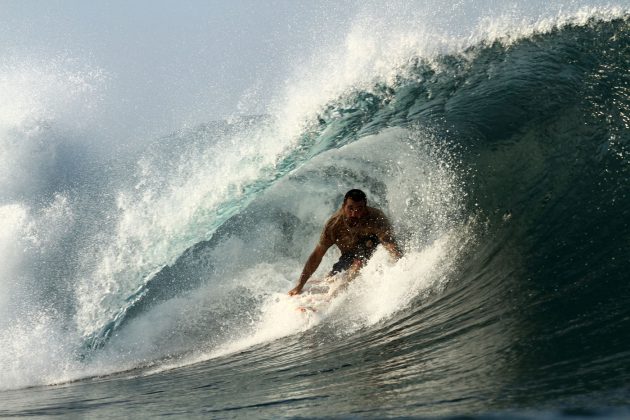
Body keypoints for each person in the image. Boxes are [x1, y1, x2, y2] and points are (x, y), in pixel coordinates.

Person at [288, 189, 402, 296]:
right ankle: (324, 289)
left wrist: (400, 267)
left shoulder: (375, 217)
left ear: (365, 207)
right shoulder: (334, 225)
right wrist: (300, 285)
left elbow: (390, 244)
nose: (354, 213)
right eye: (350, 208)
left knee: (358, 262)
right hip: (348, 255)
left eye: (359, 209)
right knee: (332, 279)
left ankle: (339, 291)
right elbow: (317, 255)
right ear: (343, 206)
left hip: (371, 247)